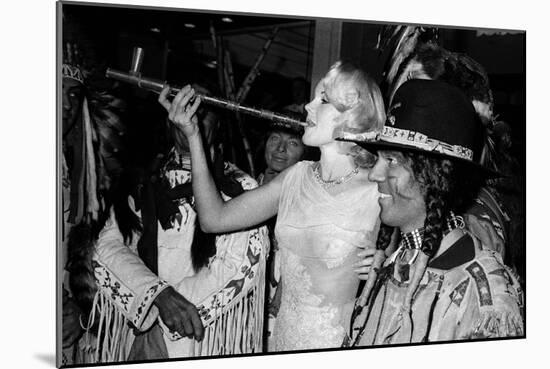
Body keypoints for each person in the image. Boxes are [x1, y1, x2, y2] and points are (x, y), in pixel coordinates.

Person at [158, 60, 386, 351]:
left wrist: (386, 264)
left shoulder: (376, 187)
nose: (308, 107)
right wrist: (193, 136)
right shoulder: (295, 177)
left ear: (354, 115)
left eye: (324, 100)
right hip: (279, 342)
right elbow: (213, 219)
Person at [340, 79, 524, 346]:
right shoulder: (393, 265)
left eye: (391, 160)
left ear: (436, 177)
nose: (374, 174)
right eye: (379, 158)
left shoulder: (483, 295)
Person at [80, 109, 269, 362]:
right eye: (184, 105)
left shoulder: (240, 187)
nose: (192, 115)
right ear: (170, 120)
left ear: (218, 124)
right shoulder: (141, 180)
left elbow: (240, 263)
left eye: (202, 109)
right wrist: (156, 296)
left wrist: (165, 312)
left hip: (201, 334)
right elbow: (107, 245)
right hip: (138, 328)